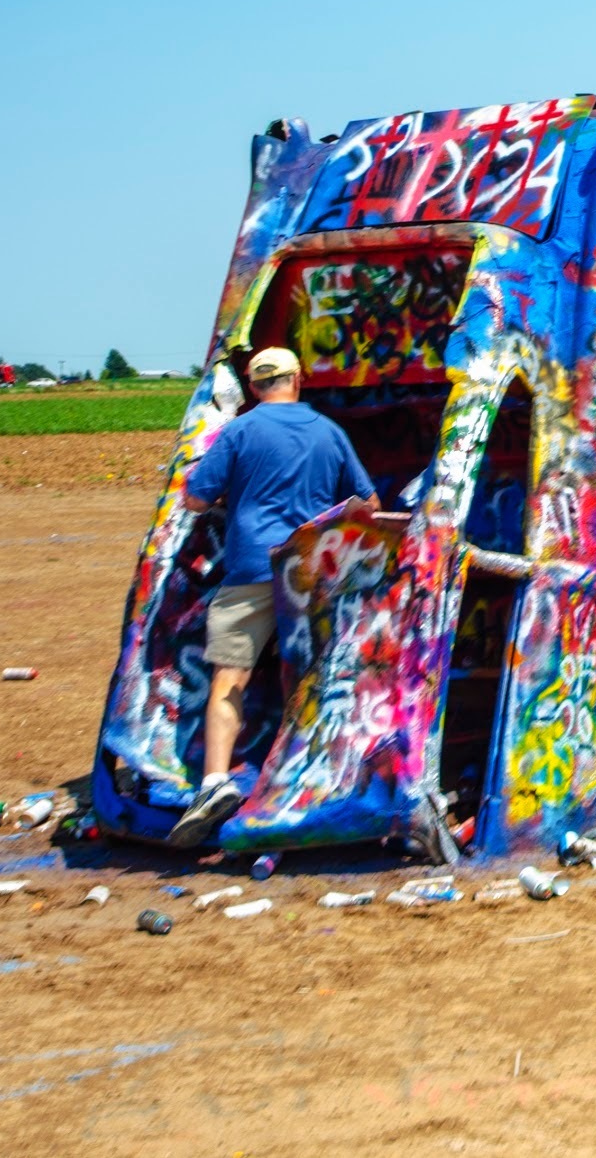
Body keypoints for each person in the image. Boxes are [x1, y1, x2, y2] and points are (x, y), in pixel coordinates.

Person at [167, 346, 377, 846]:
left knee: (229, 679)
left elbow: (193, 497)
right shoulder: (329, 432)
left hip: (249, 570)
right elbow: (369, 504)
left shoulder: (237, 432)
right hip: (309, 571)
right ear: (298, 379)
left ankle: (215, 783)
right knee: (313, 680)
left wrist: (232, 495)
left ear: (253, 385)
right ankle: (309, 782)